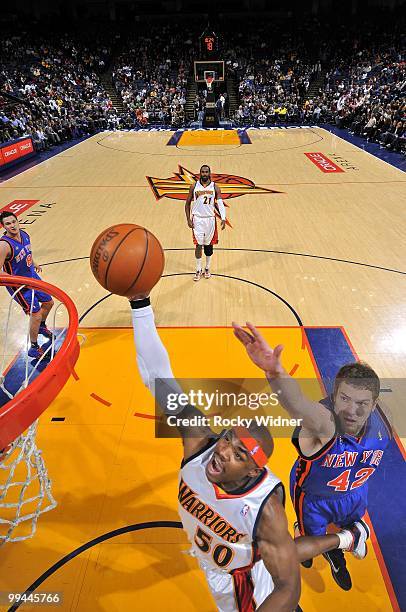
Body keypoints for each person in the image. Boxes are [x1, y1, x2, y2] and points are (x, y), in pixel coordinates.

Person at [129, 296, 370, 611]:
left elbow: (287, 589)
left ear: (253, 472)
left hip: (253, 595)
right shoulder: (198, 442)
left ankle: (346, 538)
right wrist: (140, 304)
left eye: (240, 454)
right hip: (225, 564)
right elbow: (157, 377)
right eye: (228, 439)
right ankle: (348, 539)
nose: (224, 452)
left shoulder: (264, 508)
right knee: (268, 549)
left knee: (272, 551)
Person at [232, 321, 392, 592]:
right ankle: (334, 550)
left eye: (362, 403)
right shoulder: (324, 423)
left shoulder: (383, 425)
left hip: (354, 491)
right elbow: (297, 404)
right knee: (312, 543)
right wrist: (275, 372)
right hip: (315, 499)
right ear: (334, 396)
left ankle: (345, 538)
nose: (351, 410)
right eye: (344, 399)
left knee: (349, 523)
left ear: (374, 404)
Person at [0, 211, 54, 359]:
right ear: (3, 226)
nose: (12, 226)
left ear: (18, 221)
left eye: (13, 222)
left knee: (49, 302)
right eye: (8, 224)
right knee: (35, 314)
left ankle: (41, 326)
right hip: (19, 285)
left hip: (31, 276)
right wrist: (14, 279)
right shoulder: (4, 245)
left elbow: (27, 253)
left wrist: (34, 263)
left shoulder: (24, 234)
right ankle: (34, 347)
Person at [185, 165, 226, 281]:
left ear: (209, 173)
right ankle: (198, 269)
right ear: (200, 173)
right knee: (198, 245)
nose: (204, 174)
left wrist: (223, 217)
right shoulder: (194, 186)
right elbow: (187, 203)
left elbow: (220, 203)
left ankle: (207, 268)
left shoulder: (215, 187)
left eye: (206, 172)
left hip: (210, 219)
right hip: (197, 219)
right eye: (202, 172)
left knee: (209, 245)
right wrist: (188, 219)